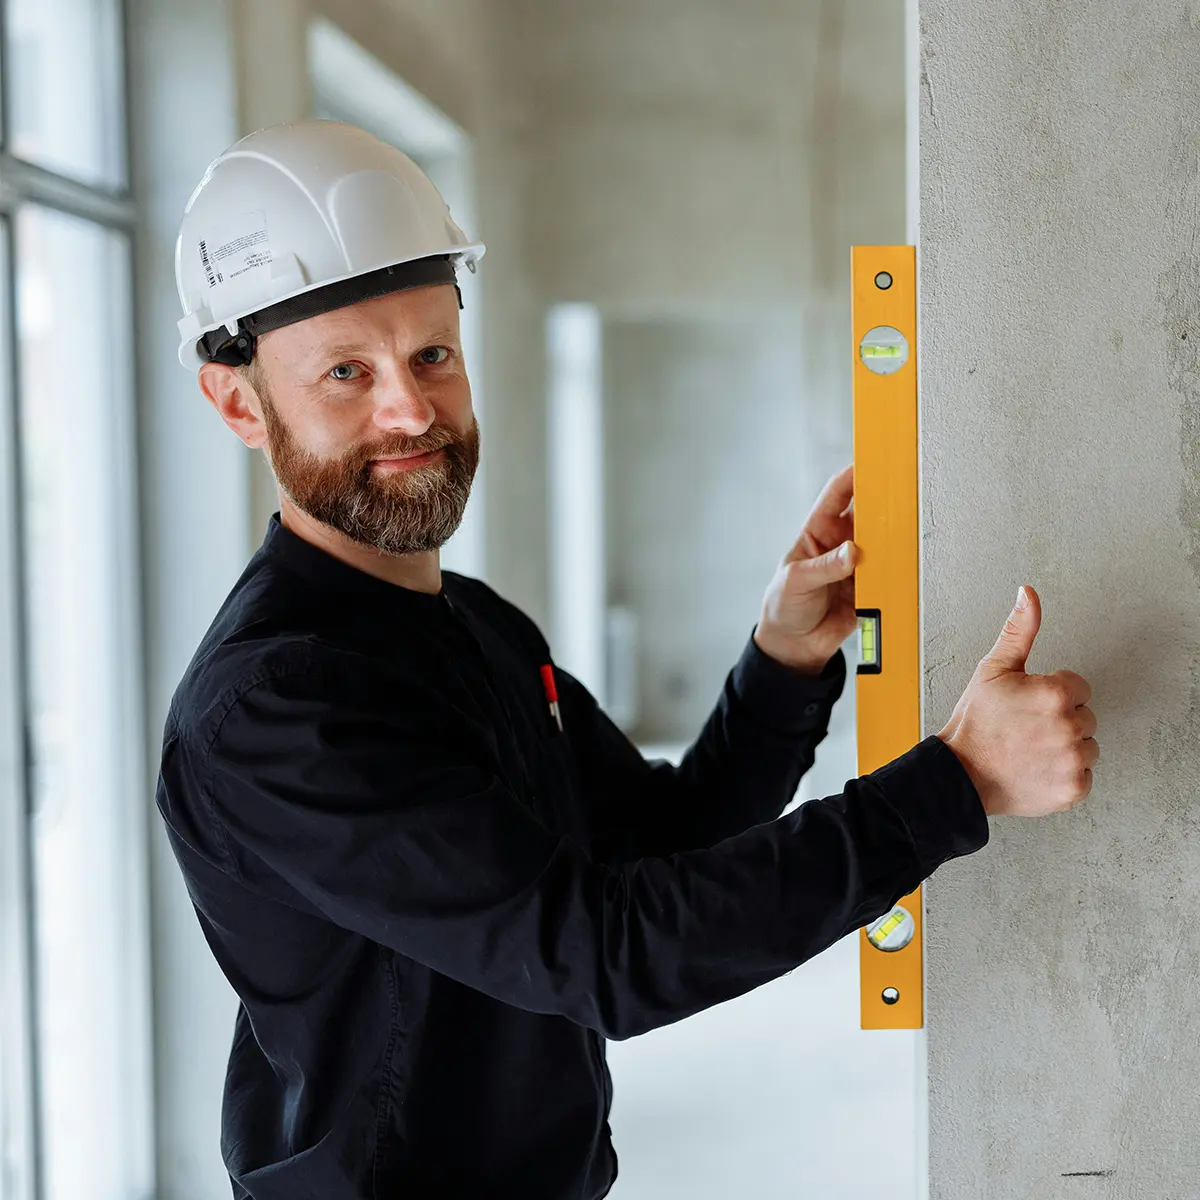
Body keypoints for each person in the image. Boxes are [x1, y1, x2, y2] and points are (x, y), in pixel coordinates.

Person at [157, 120, 1099, 1199]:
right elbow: (605, 954)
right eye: (343, 372)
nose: (411, 407)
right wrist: (955, 784)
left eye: (431, 354)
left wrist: (782, 665)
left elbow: (659, 841)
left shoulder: (477, 625)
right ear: (239, 401)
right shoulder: (273, 710)